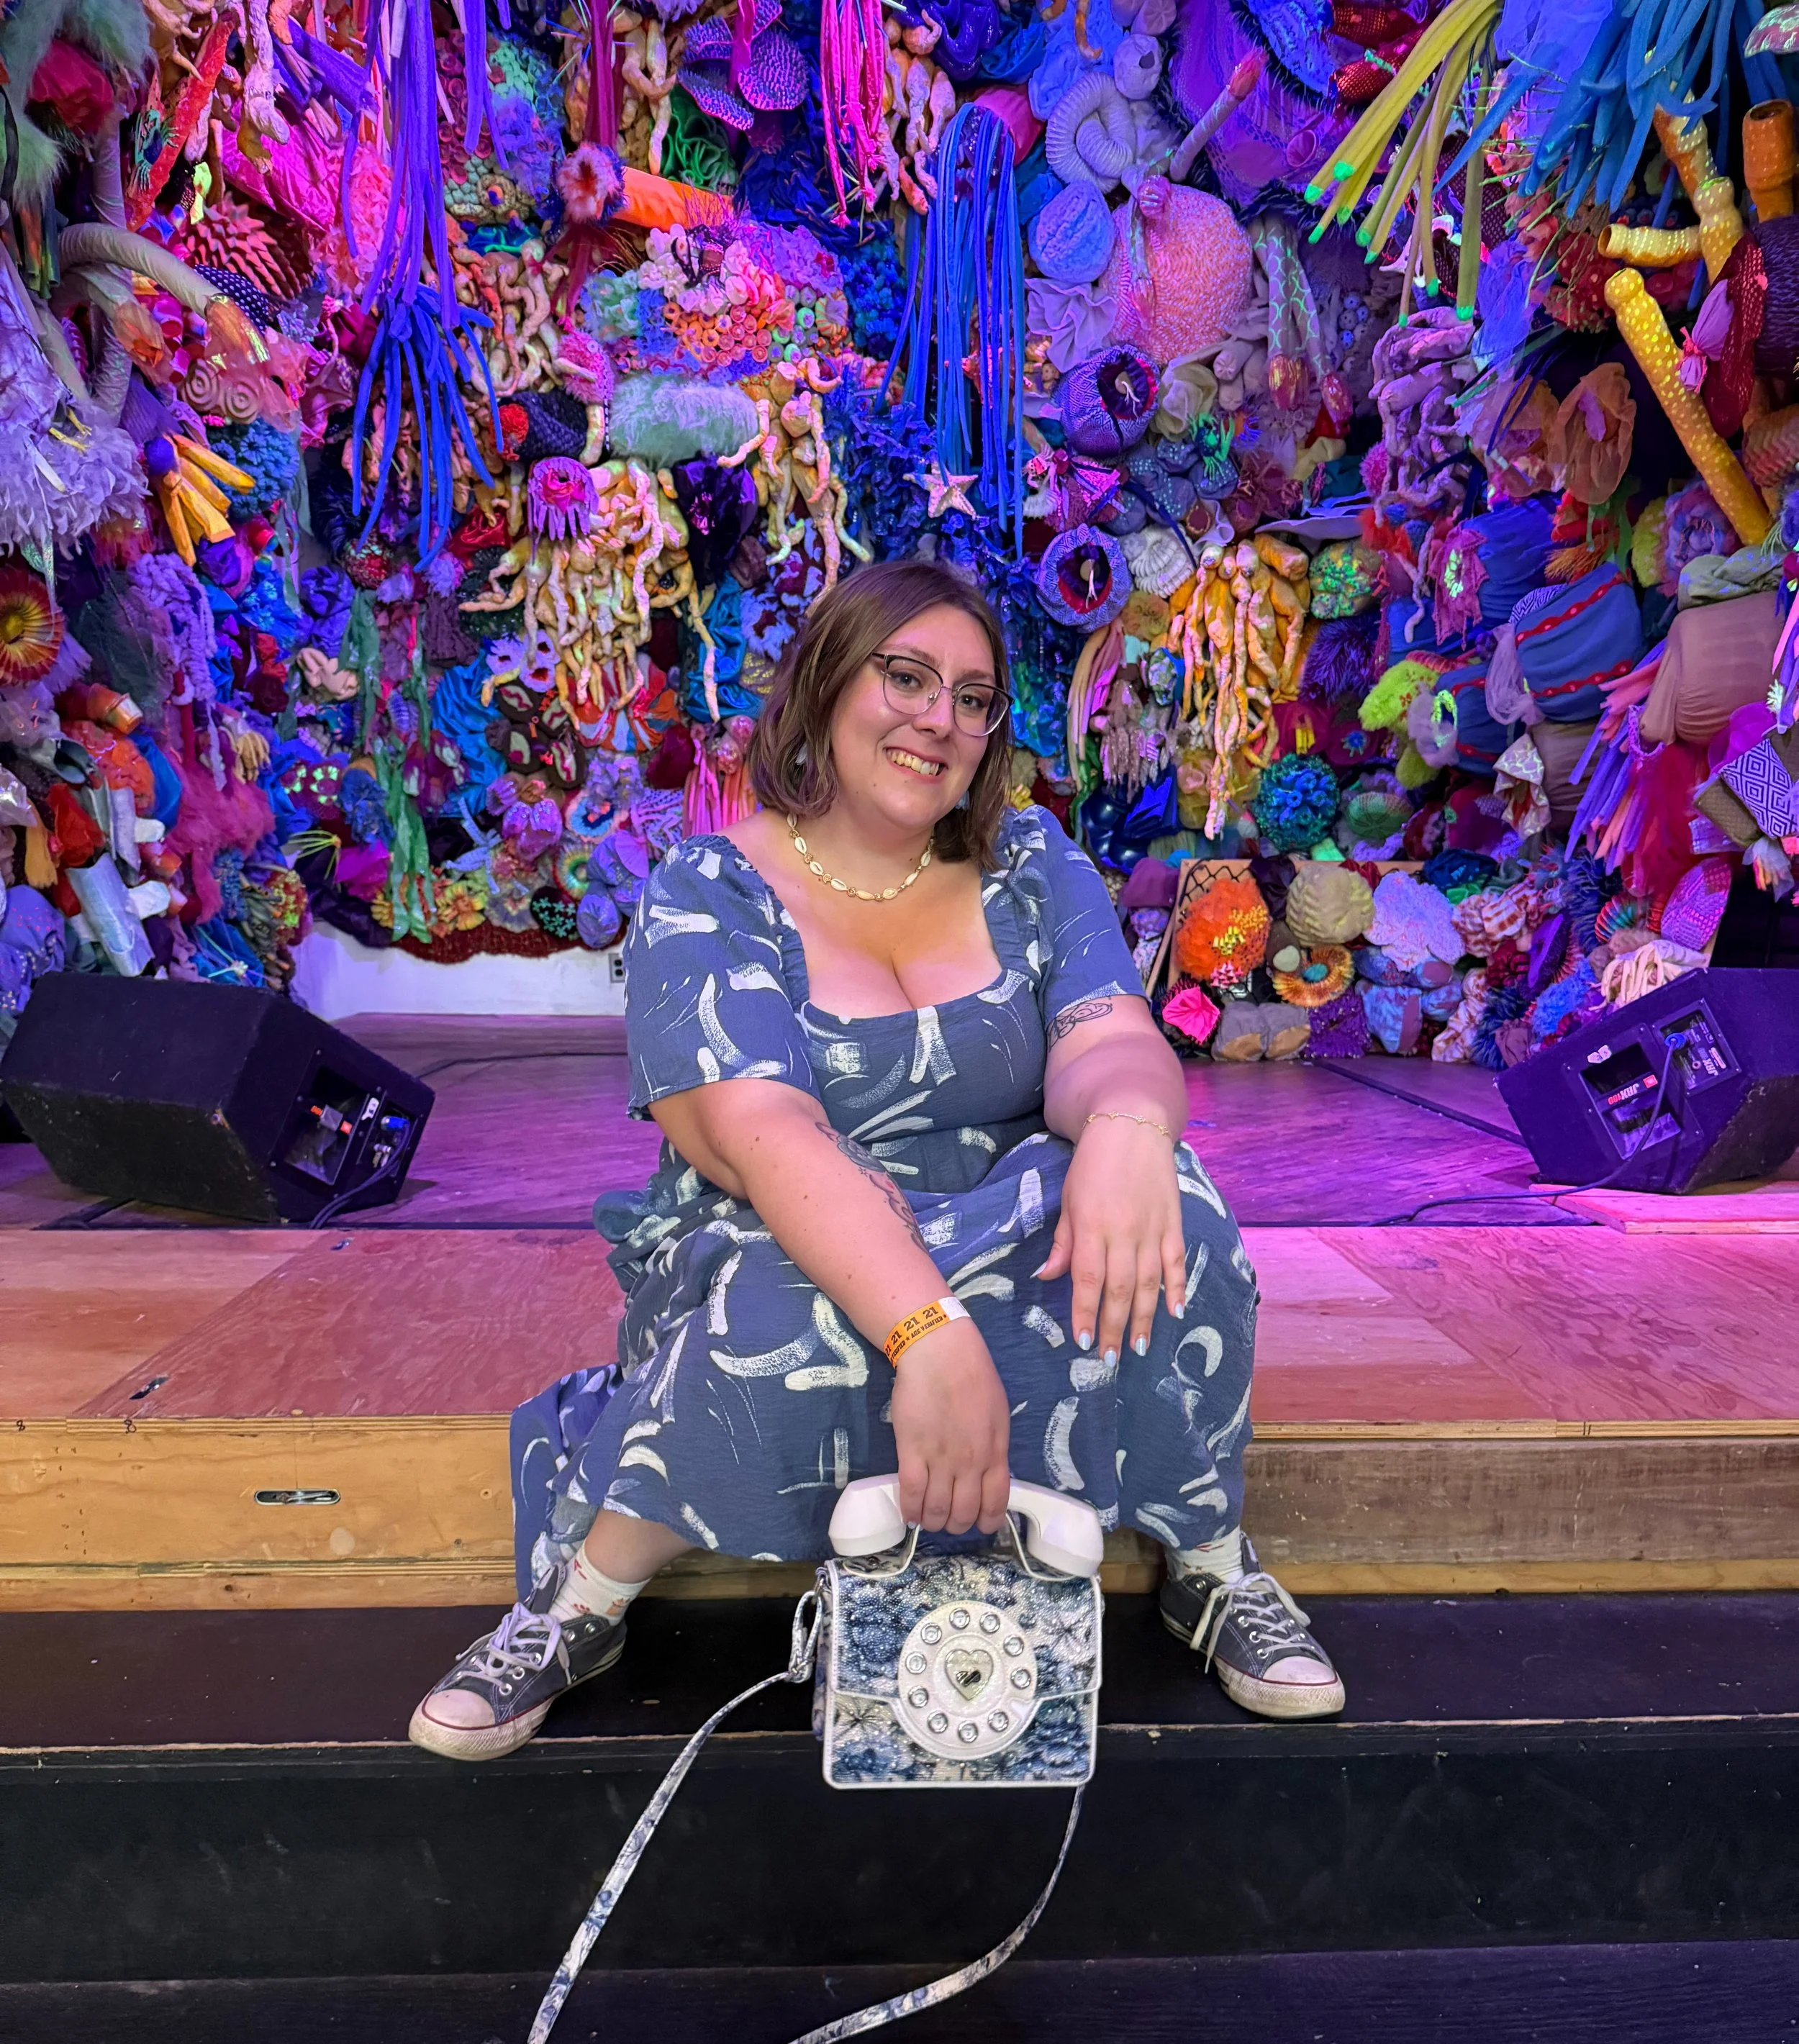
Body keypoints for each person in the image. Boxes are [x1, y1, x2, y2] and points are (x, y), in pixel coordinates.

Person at [409, 558, 1345, 1760]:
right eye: (904, 677)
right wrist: (929, 1335)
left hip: (1003, 1207)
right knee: (783, 1297)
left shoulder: (1030, 860)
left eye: (972, 697)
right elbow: (762, 1135)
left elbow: (1108, 1035)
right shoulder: (711, 886)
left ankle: (1206, 1557)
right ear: (826, 686)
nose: (938, 721)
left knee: (1177, 1210)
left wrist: (1126, 1126)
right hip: (791, 1217)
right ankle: (583, 1601)